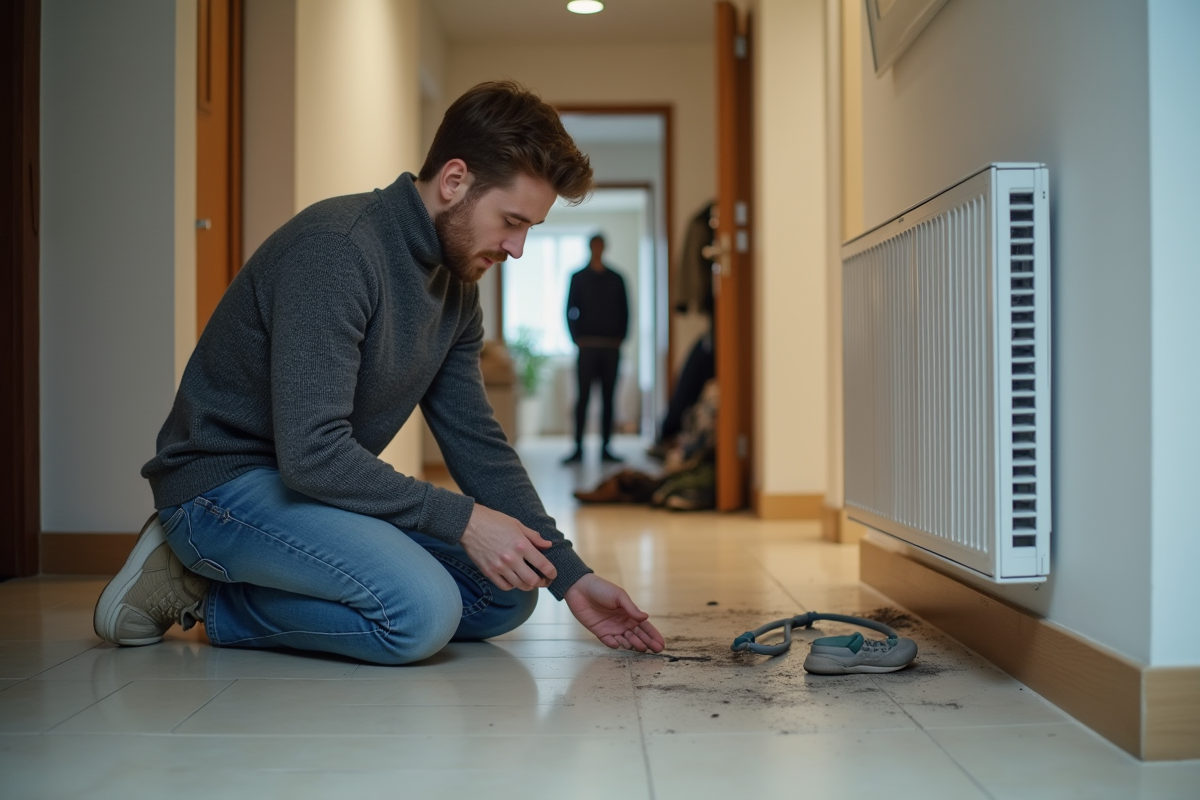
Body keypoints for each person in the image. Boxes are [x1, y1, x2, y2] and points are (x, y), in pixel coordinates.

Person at [92, 81, 665, 664]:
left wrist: (569, 574)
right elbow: (314, 453)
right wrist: (465, 521)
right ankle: (203, 586)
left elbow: (477, 442)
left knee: (509, 590)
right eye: (511, 221)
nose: (516, 248)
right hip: (222, 487)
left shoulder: (457, 290)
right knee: (422, 613)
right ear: (454, 181)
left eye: (529, 230)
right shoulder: (337, 250)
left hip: (308, 488)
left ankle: (242, 581)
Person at [562, 234, 629, 464]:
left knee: (609, 399)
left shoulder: (616, 279)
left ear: (605, 248)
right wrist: (576, 338)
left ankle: (606, 447)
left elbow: (625, 310)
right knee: (583, 398)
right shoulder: (578, 278)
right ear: (590, 248)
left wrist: (621, 337)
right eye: (595, 246)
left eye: (601, 245)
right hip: (587, 348)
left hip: (610, 347)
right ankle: (578, 447)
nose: (598, 249)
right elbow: (569, 310)